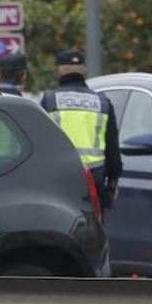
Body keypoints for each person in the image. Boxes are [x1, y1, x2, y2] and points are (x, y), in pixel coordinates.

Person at [40, 49, 122, 212]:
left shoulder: (49, 101)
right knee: (95, 230)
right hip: (94, 178)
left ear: (59, 71)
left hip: (59, 179)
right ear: (84, 71)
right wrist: (112, 185)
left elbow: (40, 144)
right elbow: (113, 149)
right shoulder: (102, 102)